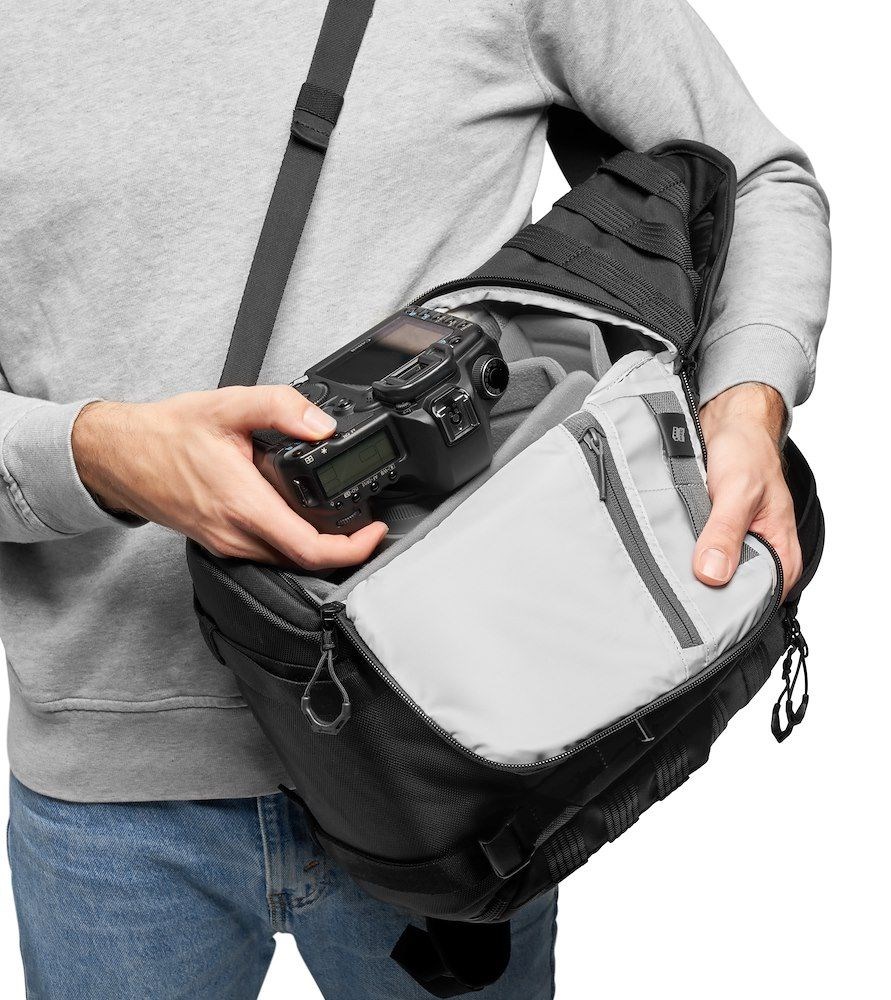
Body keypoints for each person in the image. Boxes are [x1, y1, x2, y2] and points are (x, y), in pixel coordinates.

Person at [0, 1, 830, 997]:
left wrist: (745, 399)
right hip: (110, 808)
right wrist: (95, 455)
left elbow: (756, 176)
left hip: (465, 758)